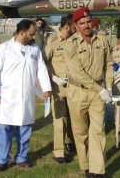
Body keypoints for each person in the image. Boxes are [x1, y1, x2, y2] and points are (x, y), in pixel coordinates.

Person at [0, 19, 52, 171]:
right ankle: (2, 160)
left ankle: (21, 157)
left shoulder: (34, 49)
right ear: (21, 33)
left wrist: (46, 88)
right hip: (7, 96)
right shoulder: (4, 48)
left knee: (25, 129)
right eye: (31, 34)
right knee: (4, 128)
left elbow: (41, 70)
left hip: (26, 97)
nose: (34, 37)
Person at [63, 6, 113, 177]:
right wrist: (101, 89)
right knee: (81, 132)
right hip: (78, 92)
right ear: (75, 25)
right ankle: (85, 165)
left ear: (92, 21)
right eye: (81, 23)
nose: (86, 25)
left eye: (88, 21)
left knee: (98, 130)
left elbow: (108, 64)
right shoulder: (70, 44)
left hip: (98, 93)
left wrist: (109, 87)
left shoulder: (102, 39)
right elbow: (78, 73)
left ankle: (97, 170)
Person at [44, 14, 76, 164]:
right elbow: (43, 62)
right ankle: (59, 151)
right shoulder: (53, 41)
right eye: (73, 26)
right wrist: (53, 77)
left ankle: (71, 142)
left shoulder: (76, 40)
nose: (75, 29)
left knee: (74, 117)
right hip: (58, 87)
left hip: (75, 85)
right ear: (66, 26)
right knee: (59, 119)